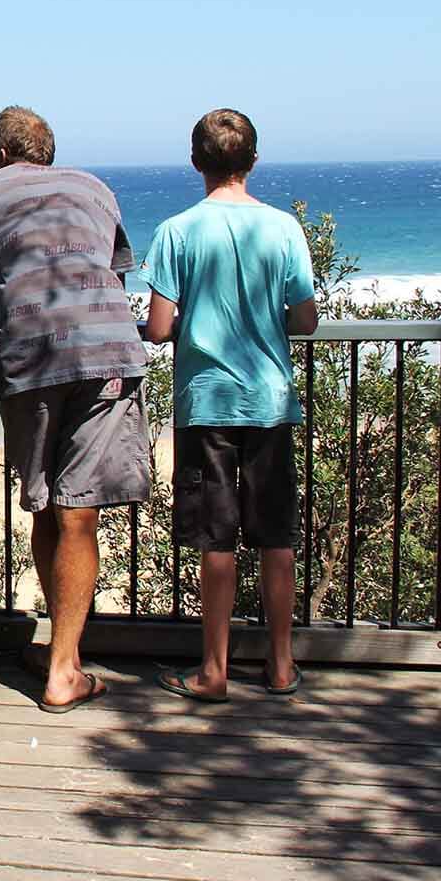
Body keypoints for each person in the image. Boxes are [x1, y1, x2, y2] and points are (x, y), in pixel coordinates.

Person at [0, 106, 151, 713]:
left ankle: (59, 659)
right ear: (48, 154)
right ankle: (64, 663)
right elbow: (114, 273)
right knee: (78, 511)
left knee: (42, 502)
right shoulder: (95, 188)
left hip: (30, 359)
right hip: (108, 354)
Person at [142, 108, 318, 701]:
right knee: (276, 537)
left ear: (196, 162)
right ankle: (281, 665)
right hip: (269, 400)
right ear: (254, 161)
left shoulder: (176, 231)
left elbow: (161, 327)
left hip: (208, 403)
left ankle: (213, 671)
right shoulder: (284, 229)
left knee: (216, 539)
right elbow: (305, 318)